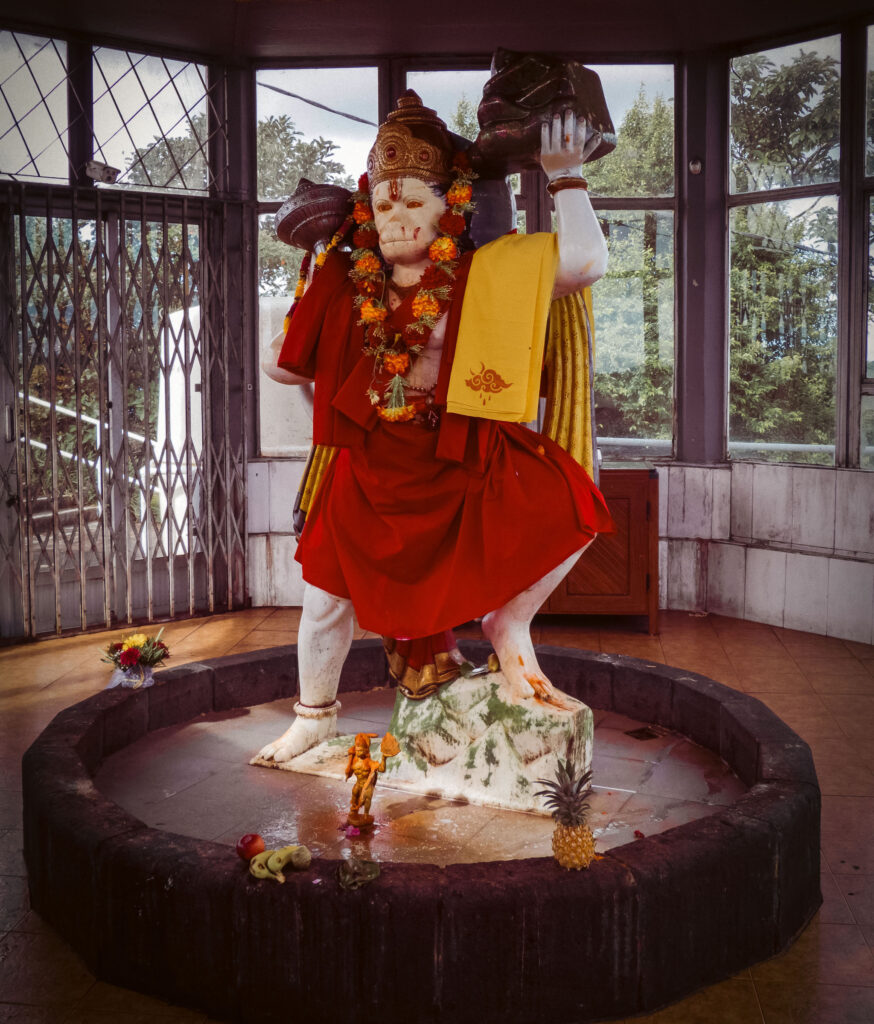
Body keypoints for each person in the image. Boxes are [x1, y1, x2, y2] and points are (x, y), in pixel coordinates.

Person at [256, 91, 612, 766]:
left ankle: (509, 625)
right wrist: (314, 308)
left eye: (413, 201)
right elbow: (279, 364)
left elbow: (585, 264)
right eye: (383, 204)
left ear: (449, 206)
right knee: (326, 601)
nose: (395, 217)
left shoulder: (483, 274)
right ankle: (313, 717)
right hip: (367, 464)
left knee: (577, 506)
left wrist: (567, 175)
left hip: (458, 457)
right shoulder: (344, 279)